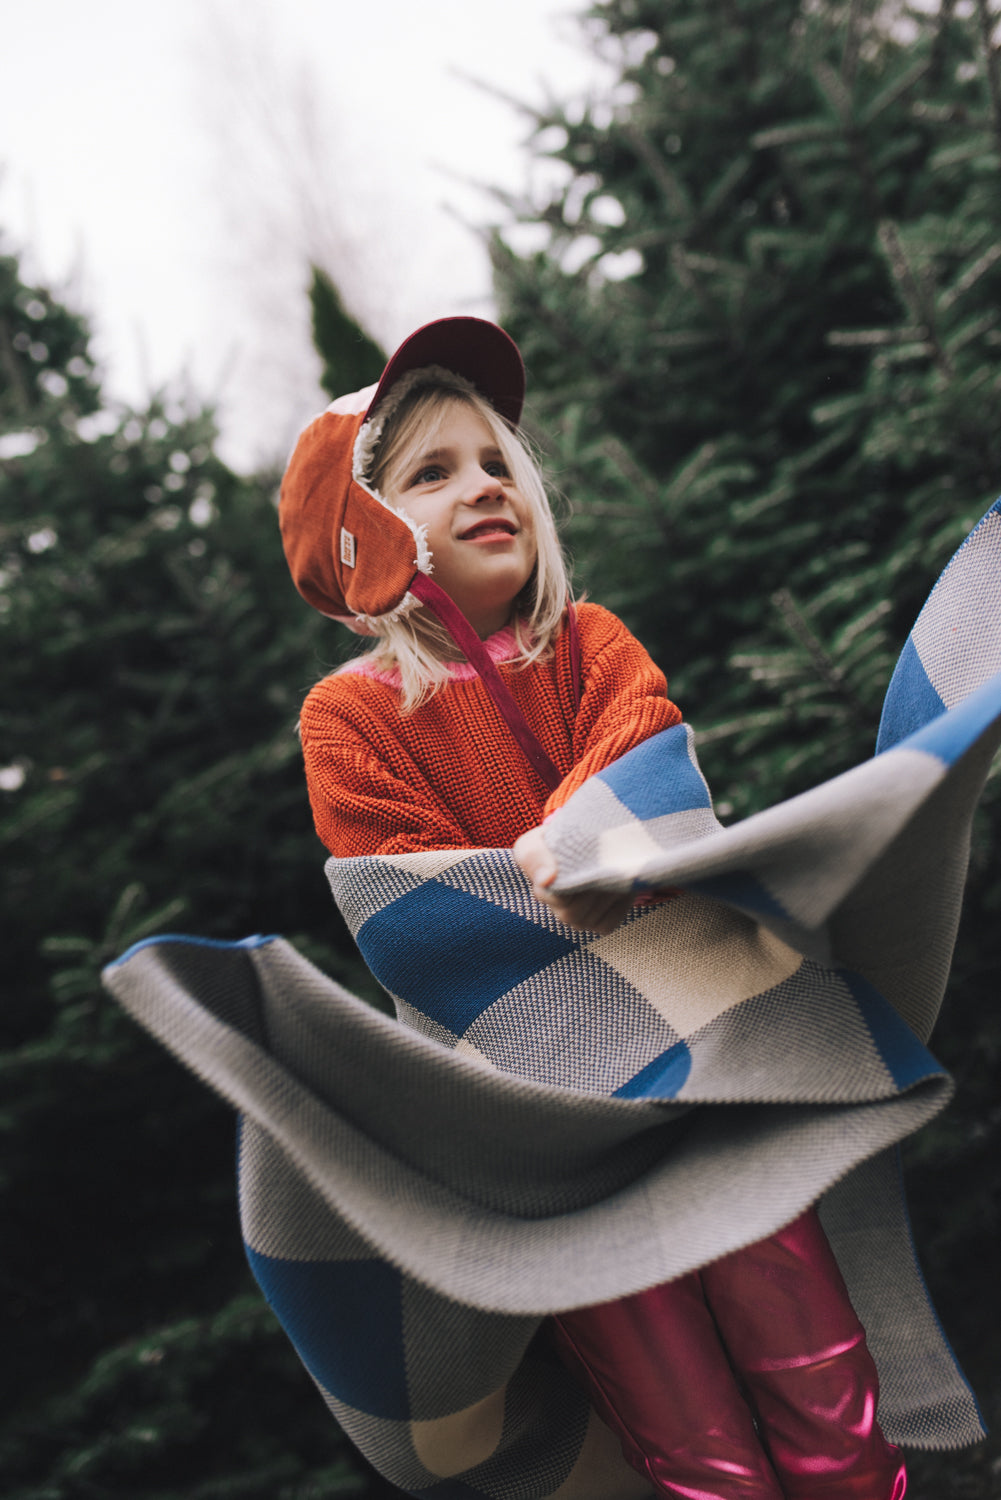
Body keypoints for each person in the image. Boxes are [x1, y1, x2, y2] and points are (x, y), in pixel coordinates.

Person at [280, 316, 907, 1499]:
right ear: (361, 539)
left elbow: (648, 748)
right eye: (432, 472)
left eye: (495, 460)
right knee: (688, 1442)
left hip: (703, 1075)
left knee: (822, 1383)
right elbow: (401, 903)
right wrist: (560, 880)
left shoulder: (585, 644)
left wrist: (561, 842)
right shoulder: (347, 722)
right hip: (546, 1136)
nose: (486, 485)